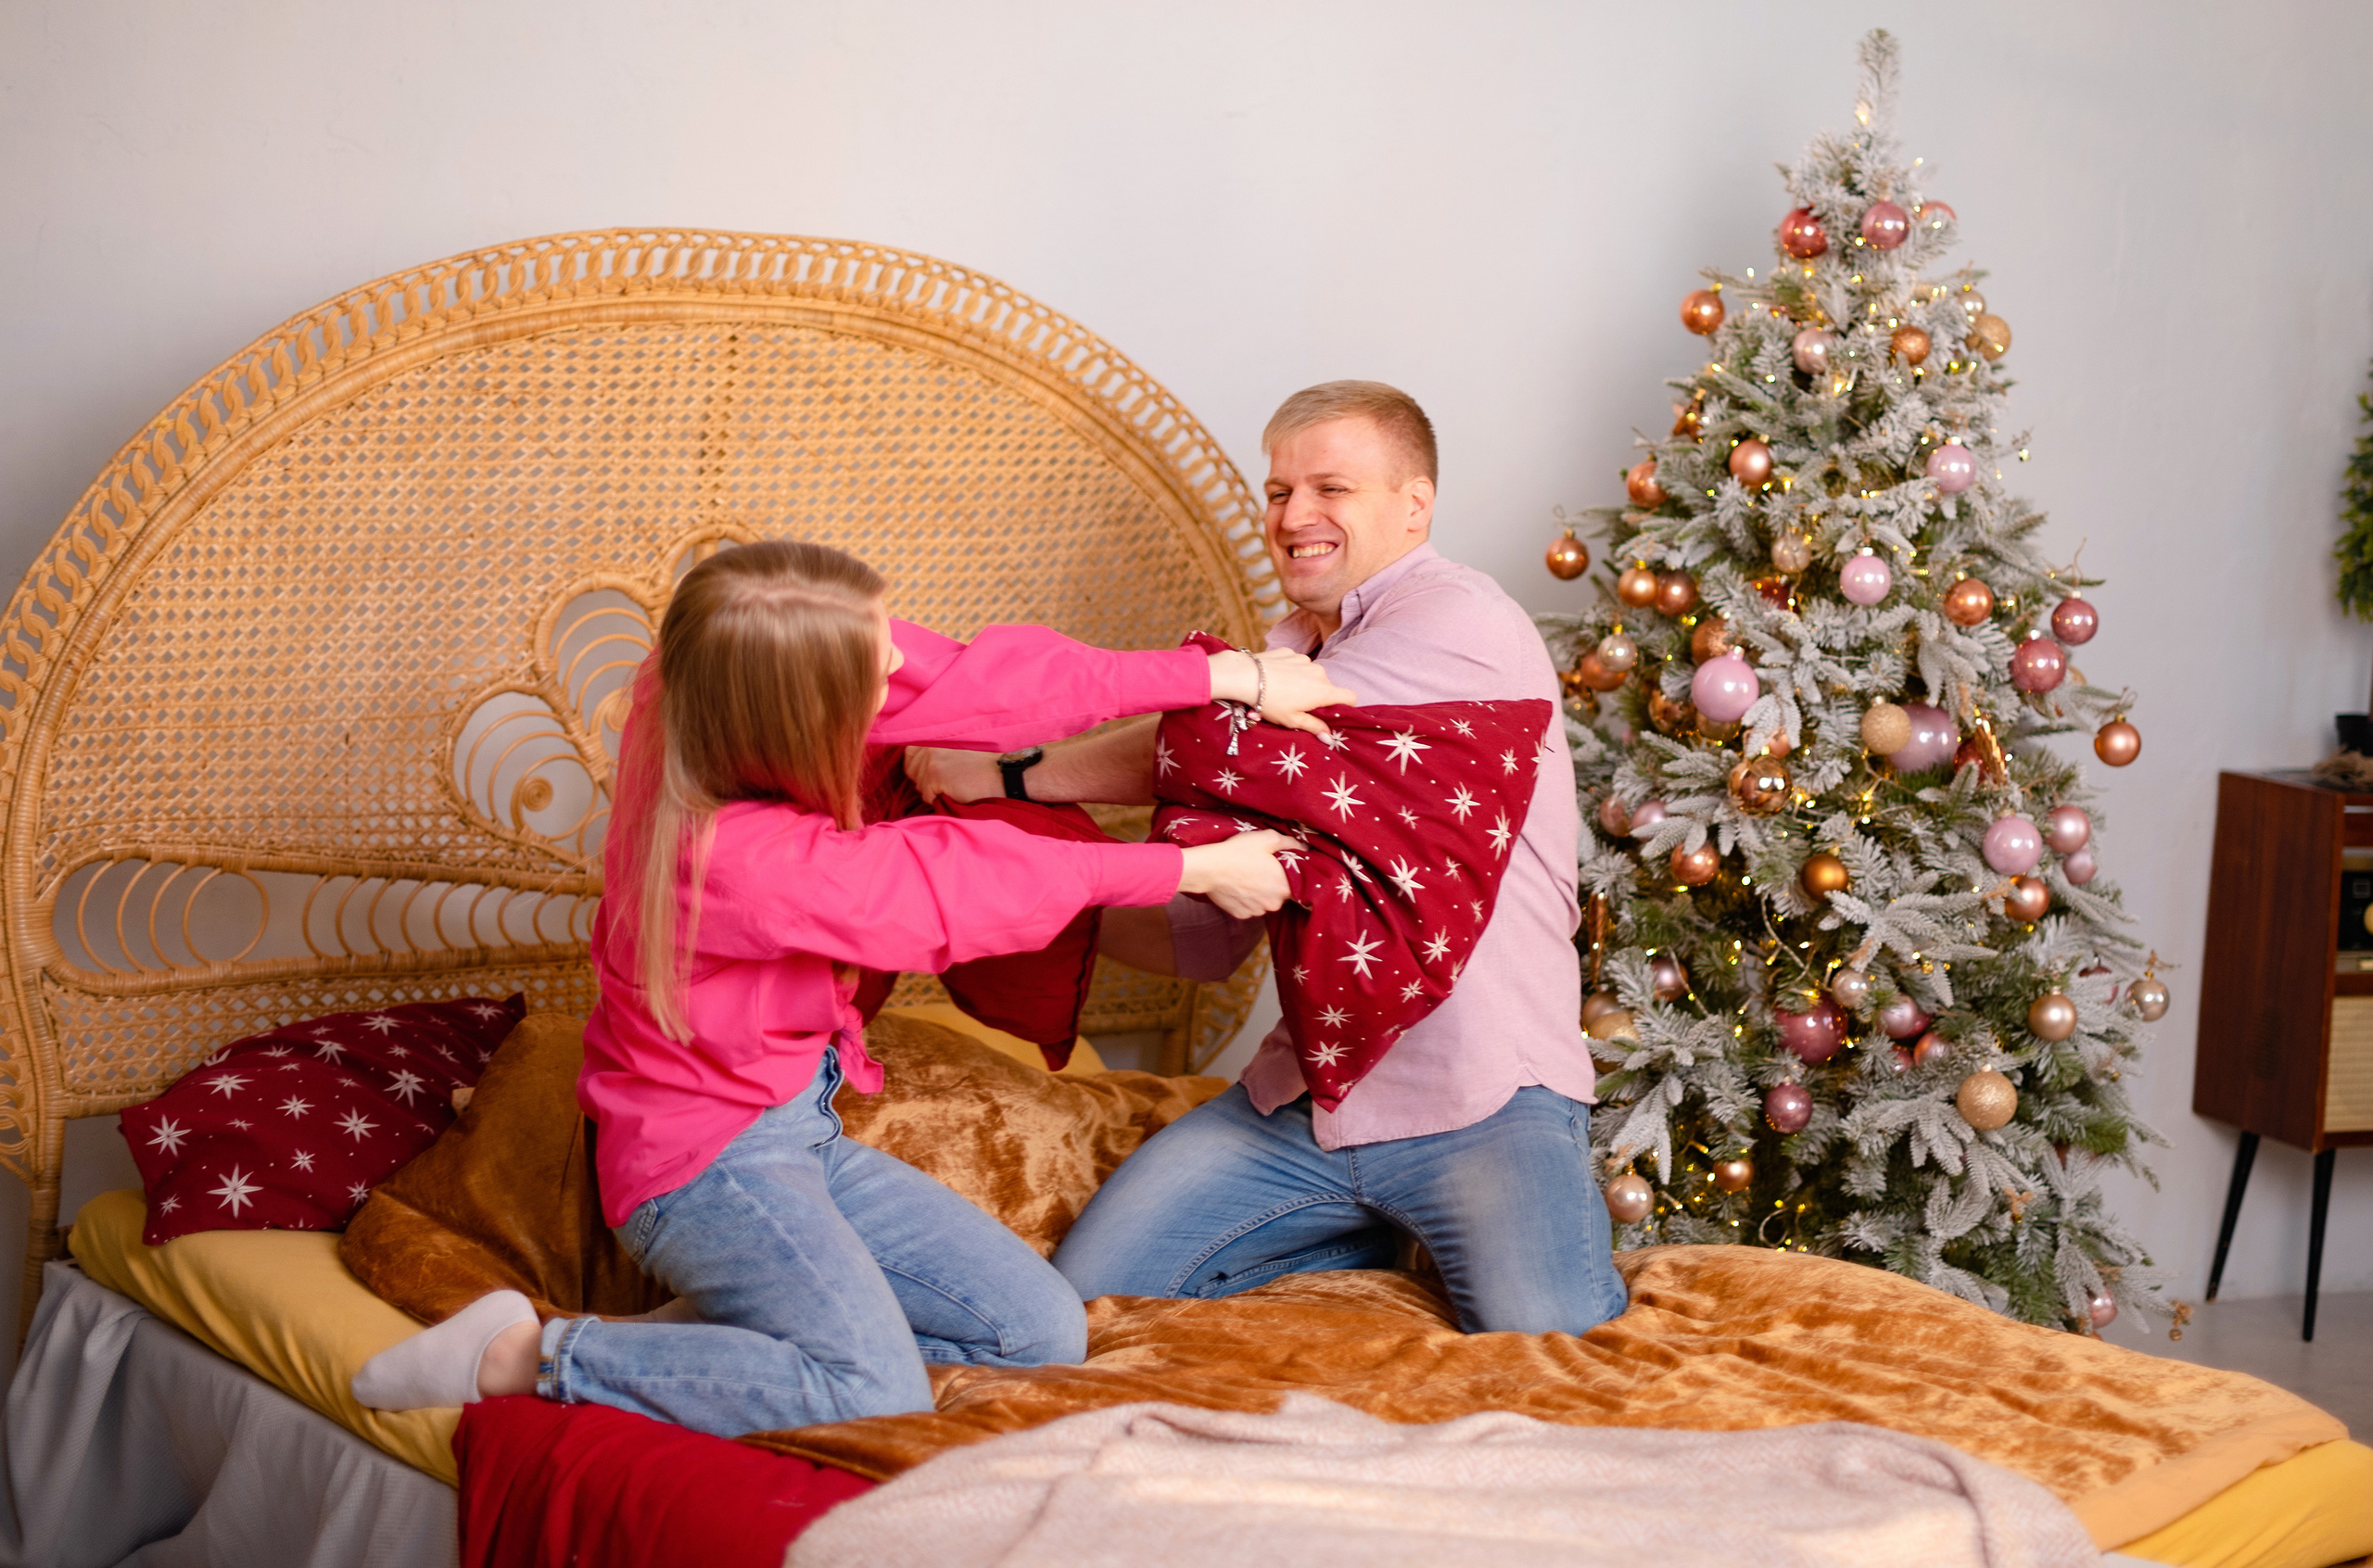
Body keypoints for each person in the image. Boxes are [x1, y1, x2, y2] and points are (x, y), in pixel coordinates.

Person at [352, 538, 1352, 1436]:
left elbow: (973, 680)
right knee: (873, 1392)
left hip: (802, 1131)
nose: (896, 675)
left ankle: (731, 1337)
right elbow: (959, 876)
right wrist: (1185, 868)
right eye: (869, 675)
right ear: (793, 719)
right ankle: (530, 1355)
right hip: (706, 1167)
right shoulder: (735, 857)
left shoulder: (698, 672)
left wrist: (1225, 673)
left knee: (1036, 1333)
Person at [908, 382, 1629, 1337]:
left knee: (1553, 1341)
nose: (1293, 517)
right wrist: (1031, 882)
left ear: (1414, 505)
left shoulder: (1460, 622)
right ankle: (1358, 1249)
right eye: (1279, 491)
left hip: (1486, 1102)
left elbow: (1222, 745)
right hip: (1308, 1102)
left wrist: (1012, 773)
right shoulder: (1284, 654)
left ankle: (1392, 1237)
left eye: (1331, 488)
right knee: (1089, 1306)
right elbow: (1202, 940)